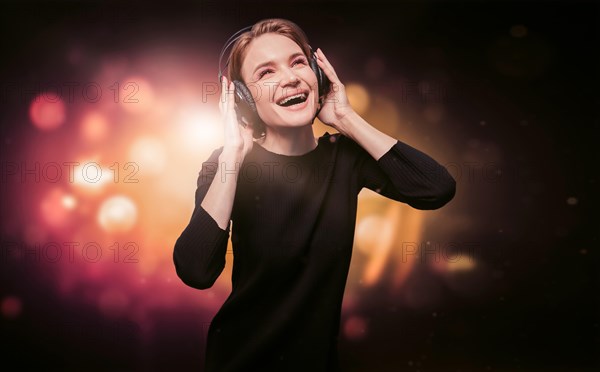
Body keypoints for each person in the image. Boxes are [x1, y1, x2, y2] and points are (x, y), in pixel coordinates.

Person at [173, 18, 456, 372]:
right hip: (240, 361)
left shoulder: (345, 157)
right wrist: (232, 154)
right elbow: (196, 270)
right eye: (266, 73)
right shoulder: (227, 165)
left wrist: (346, 118)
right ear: (243, 100)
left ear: (318, 75)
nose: (290, 77)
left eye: (297, 62)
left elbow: (436, 188)